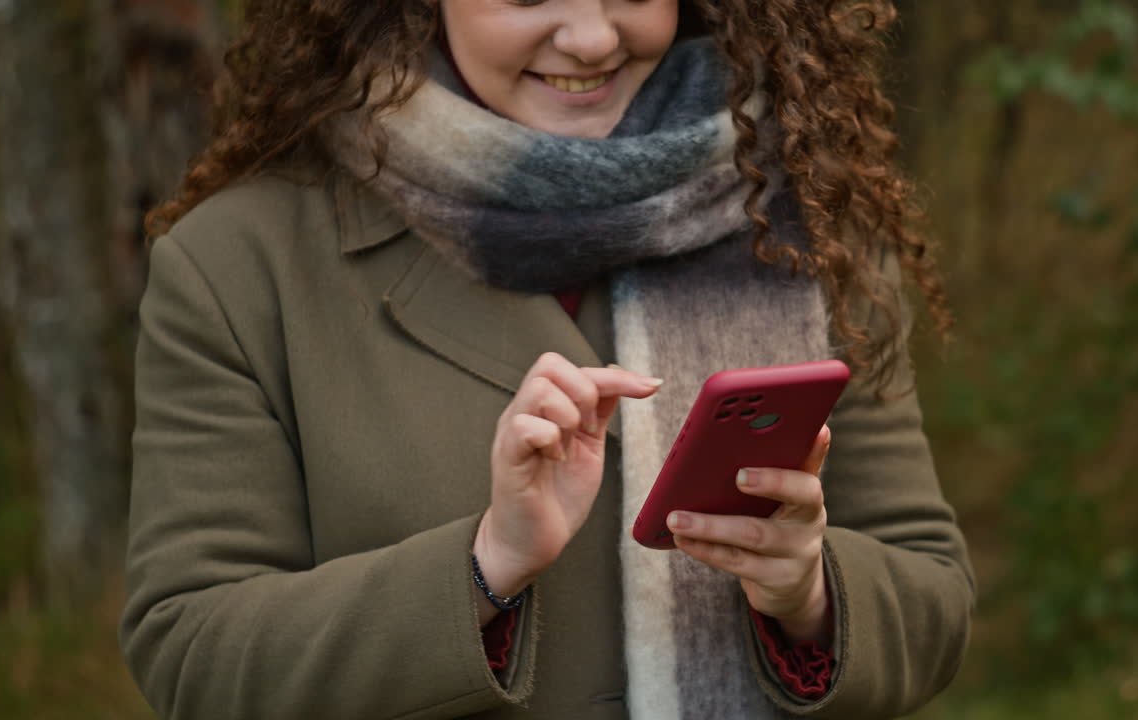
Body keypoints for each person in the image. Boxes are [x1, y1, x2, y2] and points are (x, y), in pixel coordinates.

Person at [119, 1, 975, 718]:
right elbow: (190, 648)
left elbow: (932, 591)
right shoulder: (240, 265)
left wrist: (809, 595)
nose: (592, 36)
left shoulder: (805, 217)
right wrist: (485, 570)